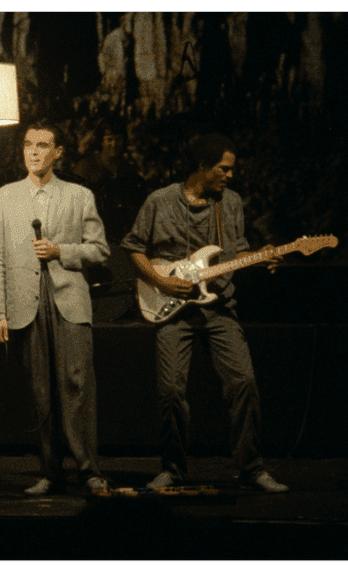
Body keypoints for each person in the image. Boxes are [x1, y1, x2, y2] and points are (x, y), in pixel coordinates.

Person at [120, 134, 289, 493]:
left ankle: (251, 467)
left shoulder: (230, 203)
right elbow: (134, 248)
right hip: (172, 310)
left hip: (219, 307)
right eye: (223, 169)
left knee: (244, 382)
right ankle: (173, 470)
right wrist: (160, 282)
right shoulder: (160, 200)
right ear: (202, 167)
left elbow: (236, 253)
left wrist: (262, 257)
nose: (229, 175)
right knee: (170, 391)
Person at [0, 119, 111, 495]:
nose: (34, 152)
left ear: (58, 152)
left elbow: (100, 249)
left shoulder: (79, 195)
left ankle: (88, 470)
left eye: (43, 145)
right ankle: (50, 470)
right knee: (39, 389)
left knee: (76, 385)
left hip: (69, 301)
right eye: (28, 144)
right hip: (24, 302)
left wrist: (61, 251)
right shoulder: (5, 196)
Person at [73, 123, 144, 244]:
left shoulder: (128, 170)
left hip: (119, 237)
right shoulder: (86, 167)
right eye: (109, 140)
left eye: (118, 139)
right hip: (90, 235)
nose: (114, 144)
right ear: (101, 142)